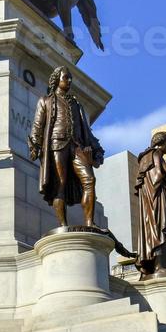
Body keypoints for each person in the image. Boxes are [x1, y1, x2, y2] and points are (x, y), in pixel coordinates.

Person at [30, 66, 105, 228]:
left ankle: (90, 222)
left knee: (89, 180)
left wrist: (96, 148)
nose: (69, 81)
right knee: (60, 184)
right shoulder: (46, 100)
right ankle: (63, 225)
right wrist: (35, 144)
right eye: (66, 78)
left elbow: (86, 128)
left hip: (77, 146)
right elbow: (38, 125)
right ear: (57, 79)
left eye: (70, 78)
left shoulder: (76, 104)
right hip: (57, 144)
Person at [134, 130, 166, 277]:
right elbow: (158, 175)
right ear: (161, 143)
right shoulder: (156, 154)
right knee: (160, 230)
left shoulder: (145, 158)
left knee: (156, 231)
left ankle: (159, 264)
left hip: (150, 200)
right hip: (158, 199)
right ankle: (159, 266)